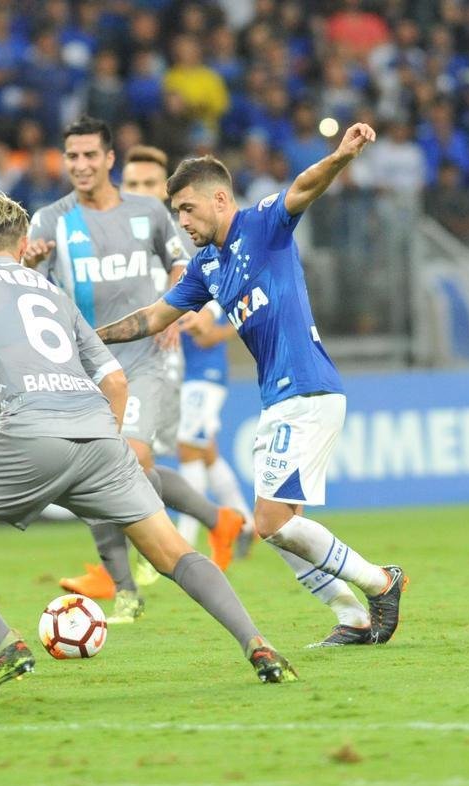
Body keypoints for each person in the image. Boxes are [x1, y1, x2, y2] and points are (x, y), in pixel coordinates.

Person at [0, 193, 296, 693]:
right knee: (174, 552)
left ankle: (2, 644)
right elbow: (114, 381)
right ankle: (258, 644)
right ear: (24, 243)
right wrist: (105, 453)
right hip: (97, 432)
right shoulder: (51, 291)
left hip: (31, 430)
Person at [93, 124, 408, 647]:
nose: (183, 221)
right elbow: (152, 317)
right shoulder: (207, 266)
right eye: (177, 214)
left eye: (189, 209)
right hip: (279, 398)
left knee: (269, 520)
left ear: (220, 198)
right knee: (283, 530)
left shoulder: (262, 225)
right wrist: (88, 339)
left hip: (307, 390)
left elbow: (304, 186)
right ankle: (352, 616)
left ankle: (382, 582)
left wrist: (341, 156)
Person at [23, 116, 243, 623]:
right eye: (71, 156)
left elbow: (183, 263)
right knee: (110, 472)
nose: (79, 165)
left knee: (125, 458)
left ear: (108, 160)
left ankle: (134, 578)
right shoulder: (49, 221)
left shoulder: (148, 212)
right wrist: (30, 265)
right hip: (83, 365)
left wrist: (174, 308)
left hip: (145, 359)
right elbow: (23, 286)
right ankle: (201, 530)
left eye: (88, 156)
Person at [120, 145, 256, 560]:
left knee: (189, 448)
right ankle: (243, 524)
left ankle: (185, 541)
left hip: (204, 365)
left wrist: (219, 329)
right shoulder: (139, 237)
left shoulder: (197, 239)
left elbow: (240, 297)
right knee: (206, 450)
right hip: (173, 364)